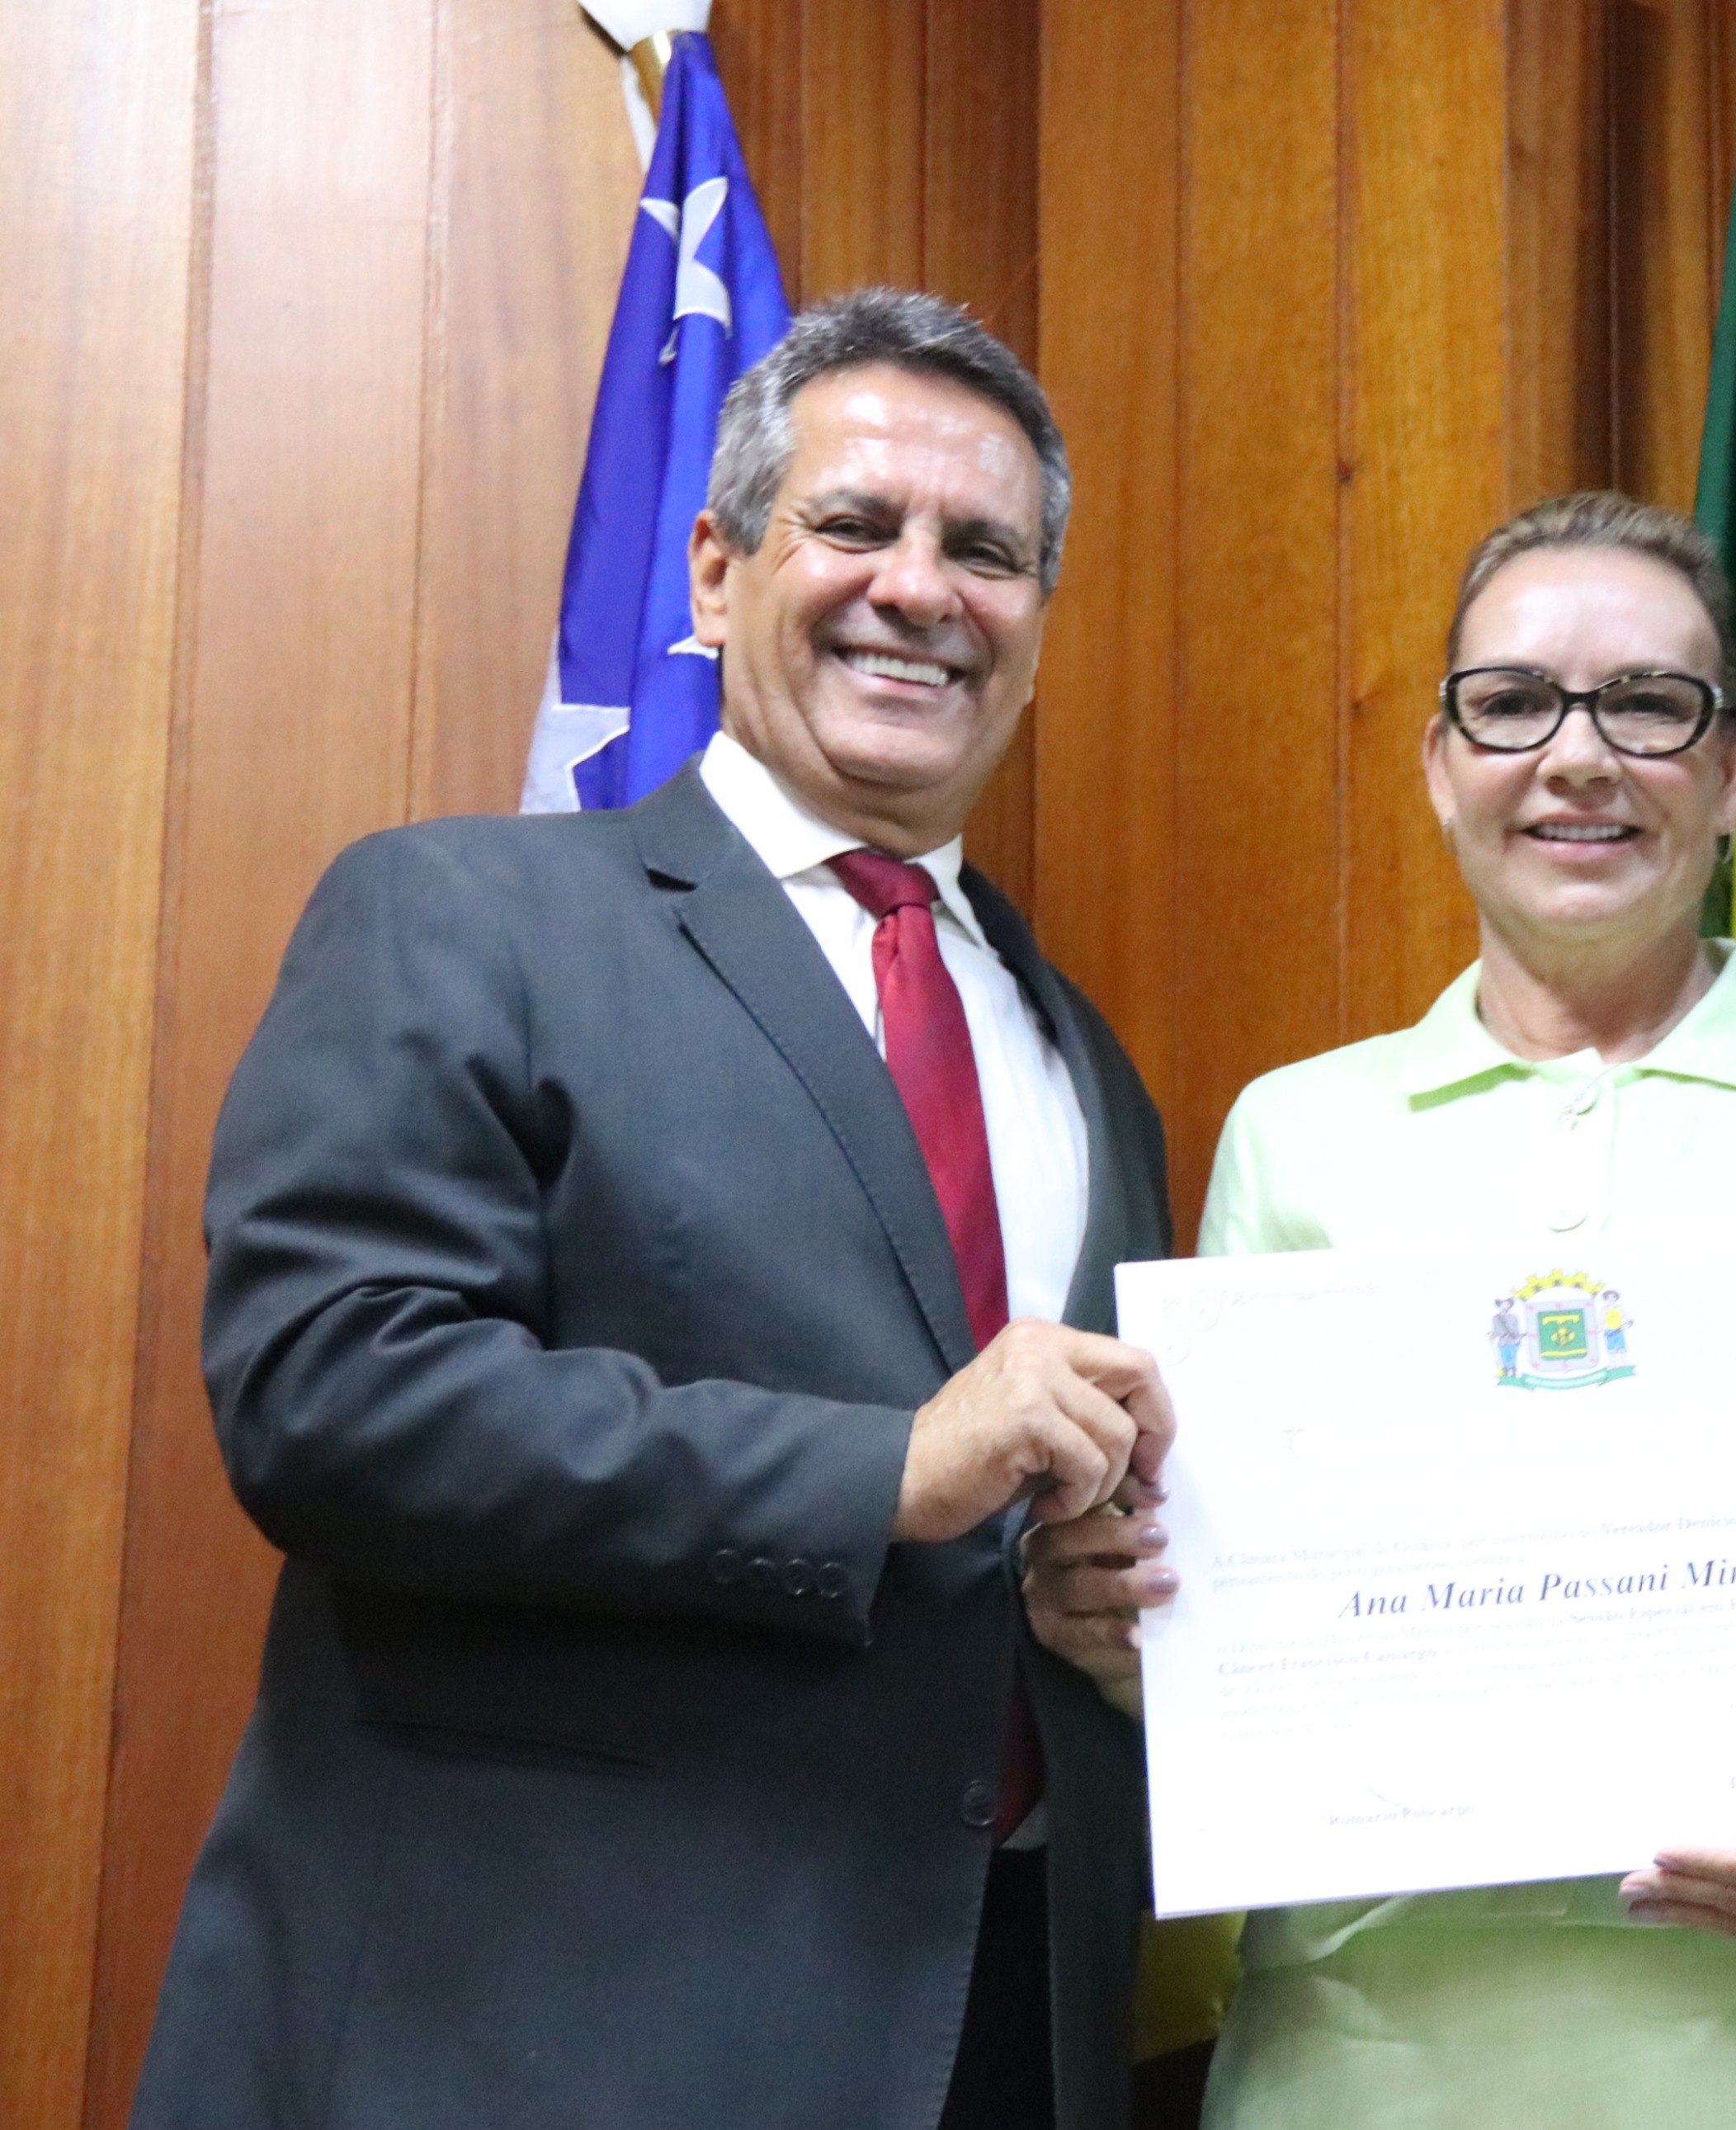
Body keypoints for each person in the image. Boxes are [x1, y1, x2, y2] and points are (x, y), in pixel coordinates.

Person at [137, 289, 1174, 2130]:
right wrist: (884, 1471)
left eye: (985, 551)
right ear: (713, 571)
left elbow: (1044, 1542)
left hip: (1001, 2032)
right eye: (854, 523)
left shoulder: (1085, 1055)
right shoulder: (463, 915)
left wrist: (1089, 1607)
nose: (920, 588)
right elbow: (330, 1396)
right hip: (541, 2036)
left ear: (1035, 625)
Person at [1026, 492, 1736, 2128]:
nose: (1579, 757)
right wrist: (1118, 1626)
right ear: (1440, 762)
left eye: (1649, 705)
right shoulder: (1295, 1132)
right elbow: (1227, 1635)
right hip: (1378, 2051)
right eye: (1516, 702)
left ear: (1735, 770)